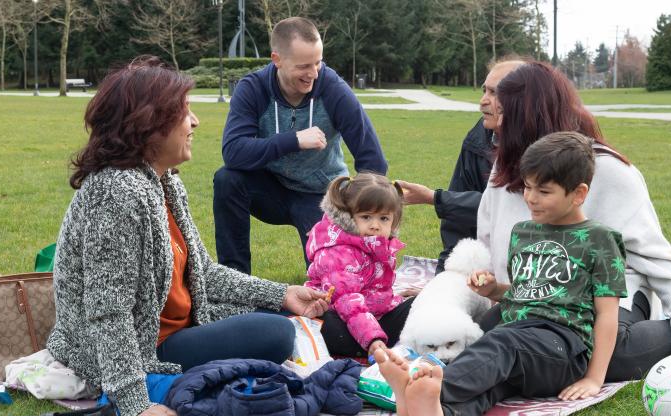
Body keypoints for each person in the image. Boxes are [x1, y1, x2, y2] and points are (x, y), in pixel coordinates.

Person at [377, 61, 671, 416]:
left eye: (497, 97)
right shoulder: (505, 171)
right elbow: (496, 258)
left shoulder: (604, 171)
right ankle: (437, 411)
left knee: (593, 355)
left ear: (528, 111)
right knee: (497, 354)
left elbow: (655, 259)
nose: (484, 104)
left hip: (609, 292)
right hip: (534, 299)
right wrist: (469, 297)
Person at [47, 56, 330, 416]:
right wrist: (133, 401)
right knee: (277, 334)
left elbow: (204, 273)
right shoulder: (118, 193)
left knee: (288, 322)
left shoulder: (162, 182)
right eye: (184, 113)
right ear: (148, 124)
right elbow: (107, 310)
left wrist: (281, 294)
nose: (195, 122)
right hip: (145, 346)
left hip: (177, 325)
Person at [374, 130, 628, 416]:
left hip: (564, 345)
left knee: (502, 343)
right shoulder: (524, 232)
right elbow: (525, 293)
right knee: (495, 381)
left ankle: (430, 387)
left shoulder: (600, 240)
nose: (531, 198)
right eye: (528, 187)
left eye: (544, 191)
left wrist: (594, 377)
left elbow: (607, 314)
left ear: (577, 193)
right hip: (522, 335)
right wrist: (495, 290)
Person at [213, 17, 388, 274]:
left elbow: (373, 160)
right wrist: (293, 140)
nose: (314, 74)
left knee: (330, 280)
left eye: (318, 63)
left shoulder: (333, 89)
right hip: (270, 190)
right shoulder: (253, 89)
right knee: (227, 179)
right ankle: (234, 278)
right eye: (304, 66)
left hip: (320, 195)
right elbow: (233, 152)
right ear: (277, 60)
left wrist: (358, 209)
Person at [397, 58, 524, 273]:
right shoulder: (480, 137)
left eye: (495, 93)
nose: (483, 101)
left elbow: (510, 206)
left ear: (522, 99)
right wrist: (444, 276)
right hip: (481, 268)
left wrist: (434, 198)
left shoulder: (546, 147)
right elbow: (457, 226)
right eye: (485, 91)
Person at [305, 173, 409, 356]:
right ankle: (370, 346)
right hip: (340, 316)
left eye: (384, 218)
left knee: (420, 305)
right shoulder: (336, 253)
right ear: (348, 216)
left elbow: (378, 290)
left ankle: (380, 340)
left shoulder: (376, 245)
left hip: (373, 314)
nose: (375, 225)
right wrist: (373, 339)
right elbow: (347, 301)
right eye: (366, 217)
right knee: (328, 326)